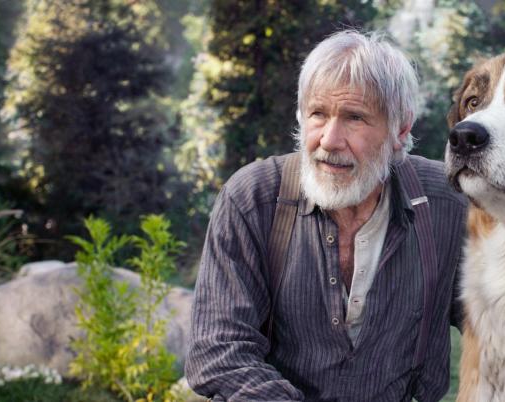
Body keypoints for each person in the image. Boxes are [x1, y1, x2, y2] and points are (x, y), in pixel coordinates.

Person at [184, 30, 467, 402]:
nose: (329, 140)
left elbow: (502, 327)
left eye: (355, 118)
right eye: (318, 114)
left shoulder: (446, 204)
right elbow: (219, 350)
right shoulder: (253, 199)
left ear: (400, 130)